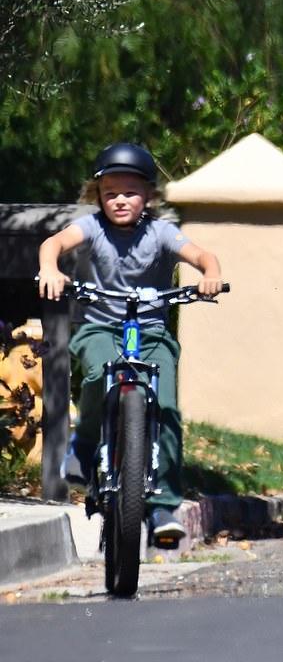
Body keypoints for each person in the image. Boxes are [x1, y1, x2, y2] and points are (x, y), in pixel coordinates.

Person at [38, 142, 224, 542]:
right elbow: (52, 244)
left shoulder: (160, 232)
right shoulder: (91, 227)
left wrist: (210, 273)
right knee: (97, 374)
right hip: (100, 328)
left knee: (169, 411)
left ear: (149, 196)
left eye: (130, 193)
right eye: (110, 193)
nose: (120, 200)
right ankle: (85, 447)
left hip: (152, 334)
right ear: (98, 196)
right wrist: (50, 269)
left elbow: (202, 256)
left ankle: (161, 509)